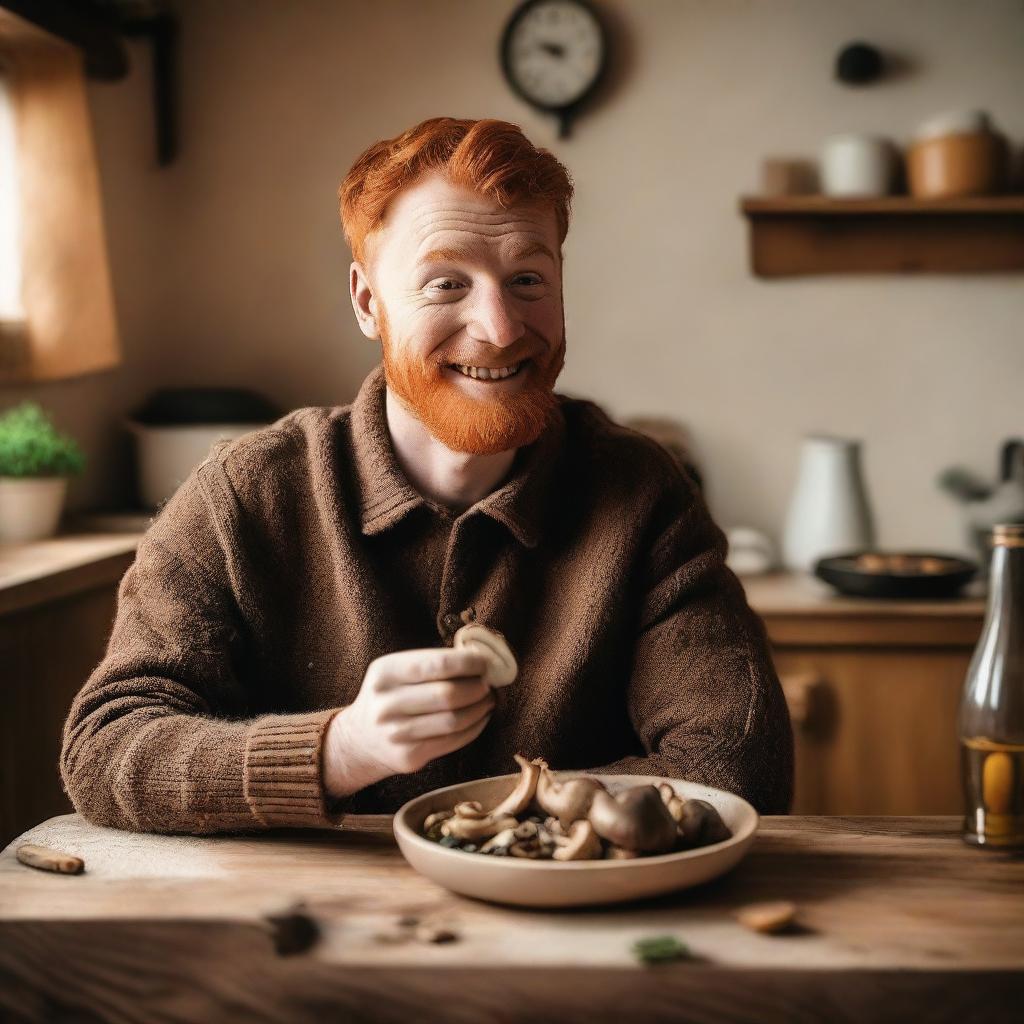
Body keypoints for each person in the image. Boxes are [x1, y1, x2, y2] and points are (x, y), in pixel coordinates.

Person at [60, 117, 793, 835]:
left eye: (528, 278)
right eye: (447, 284)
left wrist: (499, 821)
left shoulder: (642, 493)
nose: (501, 328)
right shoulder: (242, 496)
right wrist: (339, 750)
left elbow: (736, 762)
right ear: (367, 302)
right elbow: (107, 748)